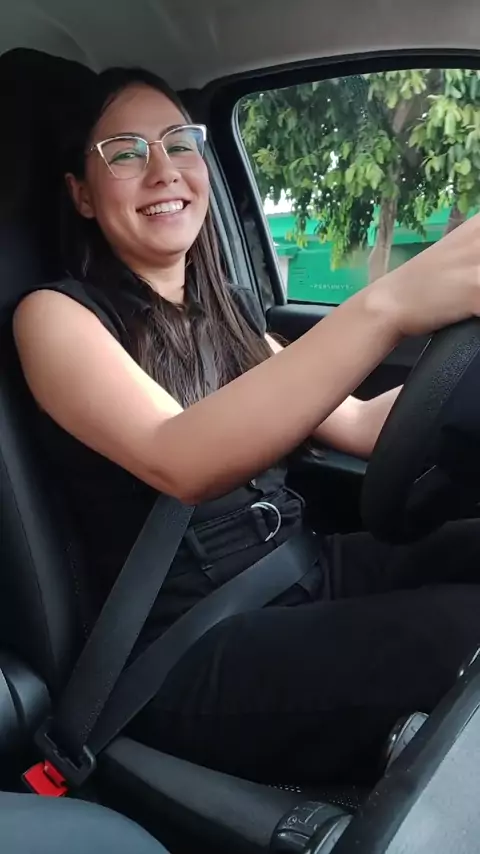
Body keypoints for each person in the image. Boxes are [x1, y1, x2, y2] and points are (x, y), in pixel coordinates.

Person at [12, 67, 480, 786]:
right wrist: (388, 305)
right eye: (126, 152)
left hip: (302, 570)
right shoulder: (53, 317)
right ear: (81, 193)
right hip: (189, 648)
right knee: (463, 633)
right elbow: (178, 456)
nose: (164, 171)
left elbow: (361, 424)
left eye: (180, 143)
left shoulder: (229, 316)